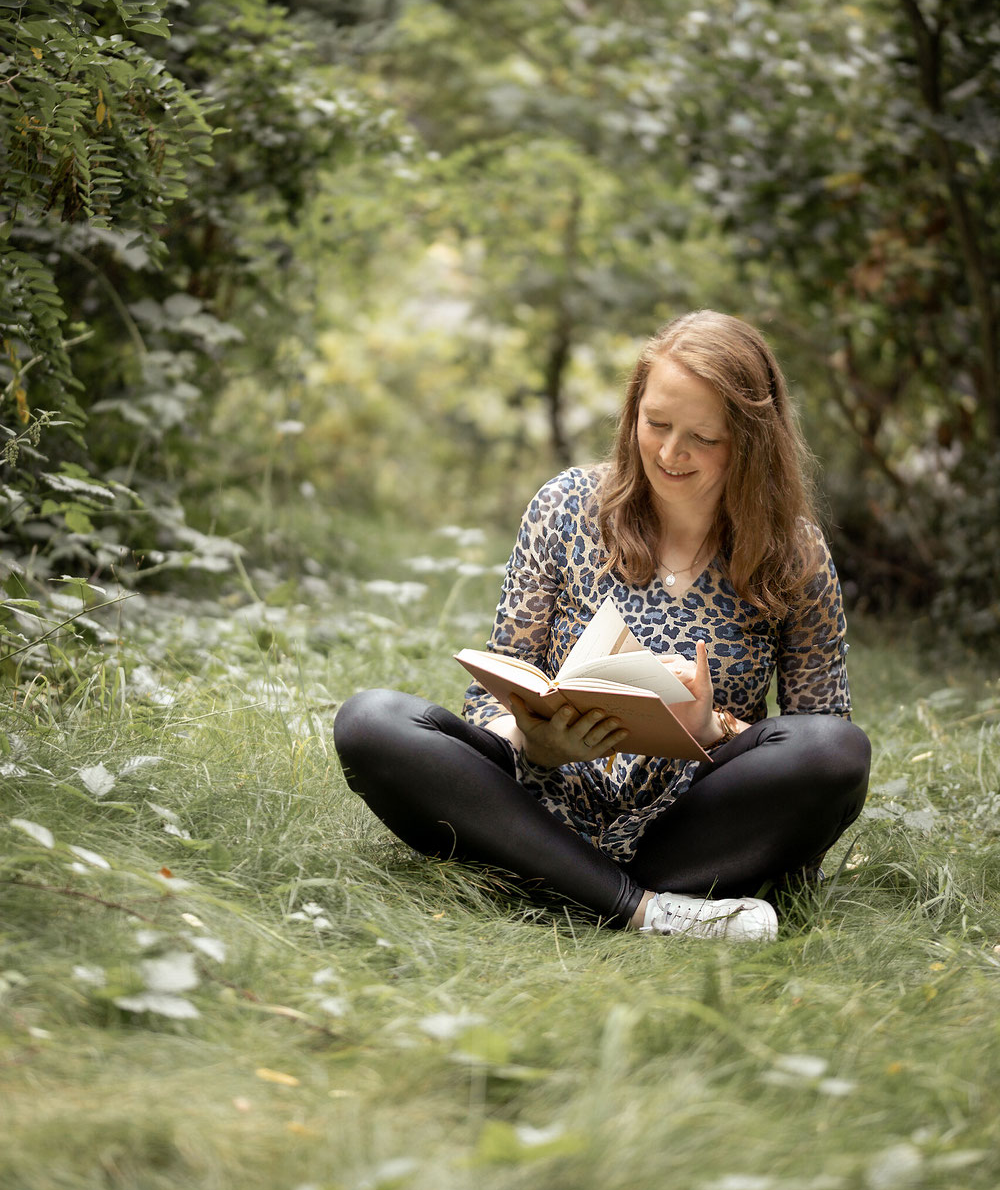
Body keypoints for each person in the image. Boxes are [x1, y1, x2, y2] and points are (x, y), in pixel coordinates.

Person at [334, 310, 871, 942]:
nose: (671, 453)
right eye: (657, 424)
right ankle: (644, 910)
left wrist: (714, 730)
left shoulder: (793, 552)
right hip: (541, 803)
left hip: (691, 825)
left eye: (704, 437)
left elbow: (819, 731)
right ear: (633, 412)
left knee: (838, 752)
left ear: (751, 440)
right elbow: (488, 701)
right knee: (372, 722)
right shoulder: (565, 506)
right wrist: (537, 740)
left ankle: (552, 882)